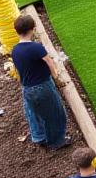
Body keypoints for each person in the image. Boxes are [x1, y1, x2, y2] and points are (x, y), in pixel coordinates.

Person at [12, 15, 71, 149]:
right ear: (32, 29)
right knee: (54, 114)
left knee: (33, 113)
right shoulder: (36, 47)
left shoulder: (15, 50)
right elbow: (49, 62)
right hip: (42, 87)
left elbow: (18, 70)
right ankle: (57, 142)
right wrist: (56, 77)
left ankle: (39, 137)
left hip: (27, 88)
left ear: (17, 31)